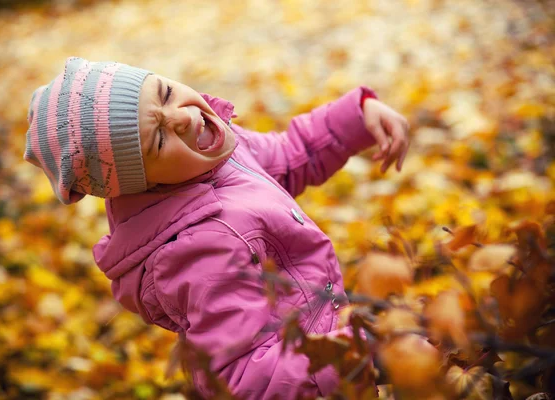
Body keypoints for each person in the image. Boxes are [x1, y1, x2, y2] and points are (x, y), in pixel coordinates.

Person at [24, 57, 410, 399]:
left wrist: (357, 118)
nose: (185, 117)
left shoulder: (214, 152)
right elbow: (242, 379)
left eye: (166, 92)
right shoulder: (197, 250)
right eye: (159, 139)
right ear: (142, 182)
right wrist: (357, 357)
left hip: (329, 338)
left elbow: (291, 155)